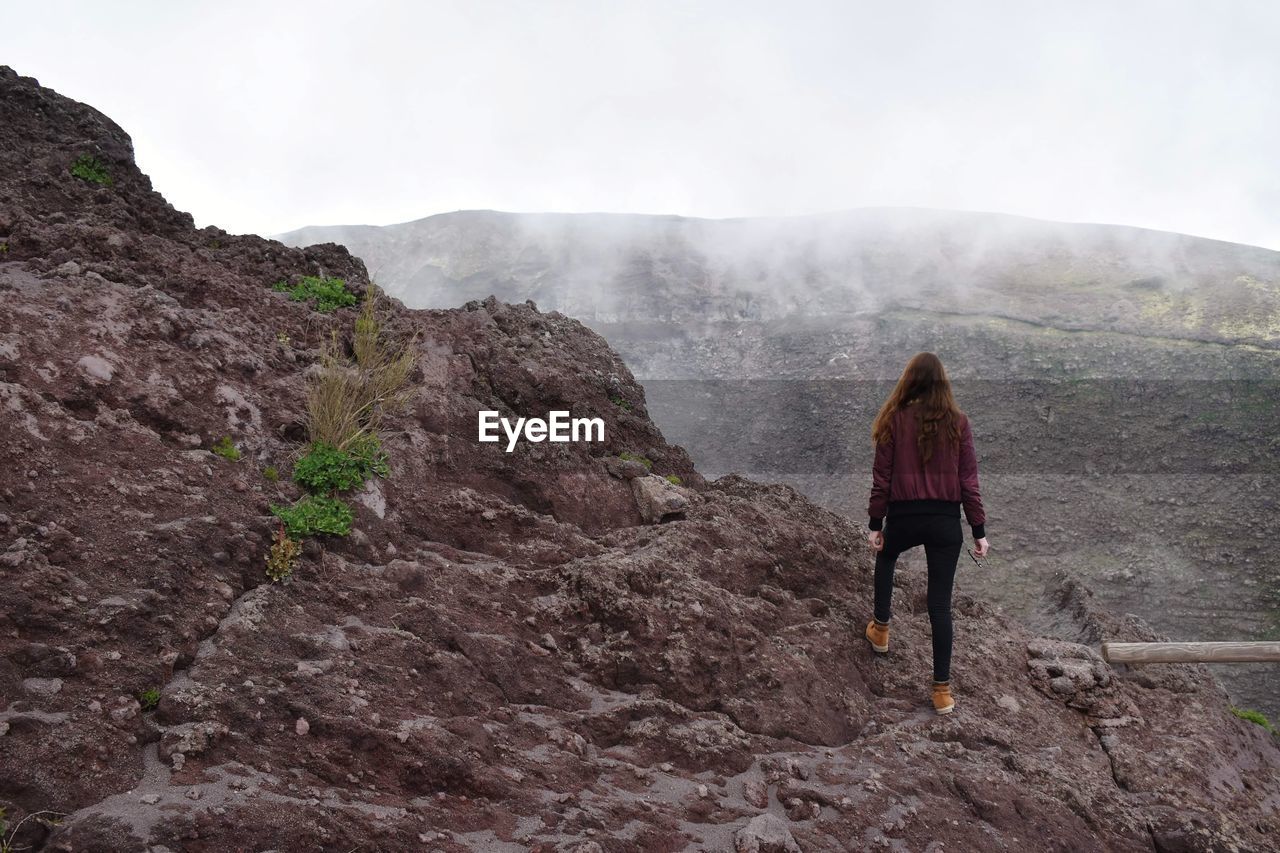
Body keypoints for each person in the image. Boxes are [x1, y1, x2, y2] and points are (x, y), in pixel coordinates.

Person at [864, 352, 989, 715]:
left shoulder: (894, 420)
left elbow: (882, 480)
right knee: (939, 606)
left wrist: (876, 525)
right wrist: (978, 530)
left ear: (909, 381)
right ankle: (942, 693)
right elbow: (969, 482)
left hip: (904, 518)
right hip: (946, 524)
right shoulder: (958, 423)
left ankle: (881, 630)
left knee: (886, 556)